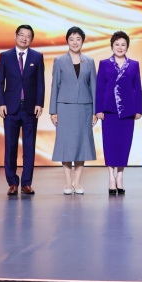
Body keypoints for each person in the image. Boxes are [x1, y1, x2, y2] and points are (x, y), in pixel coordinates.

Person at [0, 24, 45, 196]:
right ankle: (12, 182)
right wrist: (1, 103)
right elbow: (0, 82)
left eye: (28, 36)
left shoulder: (37, 57)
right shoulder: (5, 56)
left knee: (29, 147)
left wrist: (39, 103)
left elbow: (40, 82)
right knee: (10, 146)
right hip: (10, 108)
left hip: (30, 108)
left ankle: (26, 183)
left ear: (32, 39)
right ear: (16, 36)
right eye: (22, 35)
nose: (24, 38)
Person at [50, 27, 97, 194]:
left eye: (78, 39)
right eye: (71, 39)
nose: (75, 42)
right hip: (64, 107)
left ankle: (77, 182)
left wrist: (95, 111)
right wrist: (53, 111)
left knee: (81, 144)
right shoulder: (59, 60)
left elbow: (94, 87)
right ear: (67, 41)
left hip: (84, 107)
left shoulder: (89, 61)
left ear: (82, 41)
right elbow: (55, 86)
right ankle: (68, 182)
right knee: (66, 144)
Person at [95, 31, 142, 196]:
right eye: (117, 44)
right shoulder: (104, 64)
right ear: (112, 46)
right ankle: (111, 177)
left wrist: (138, 109)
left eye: (123, 44)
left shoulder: (134, 65)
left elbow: (137, 88)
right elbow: (100, 88)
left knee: (124, 144)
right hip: (109, 111)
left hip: (128, 112)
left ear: (127, 46)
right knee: (109, 144)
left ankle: (120, 176)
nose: (120, 47)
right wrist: (98, 109)